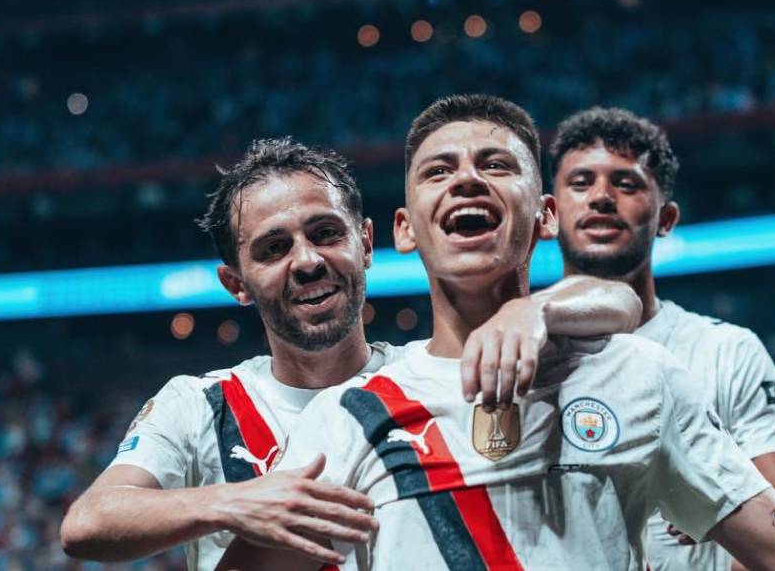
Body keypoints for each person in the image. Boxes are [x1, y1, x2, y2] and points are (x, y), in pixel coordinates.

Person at [217, 94, 775, 570]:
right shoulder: (349, 417)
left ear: (547, 215)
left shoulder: (640, 374)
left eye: (496, 164)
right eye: (438, 171)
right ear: (405, 229)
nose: (466, 179)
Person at [59, 138, 644, 570]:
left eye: (326, 233)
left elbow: (619, 301)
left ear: (365, 243)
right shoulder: (199, 405)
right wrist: (234, 502)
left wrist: (534, 309)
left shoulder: (428, 377)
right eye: (273, 248)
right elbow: (89, 522)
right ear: (236, 284)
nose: (307, 261)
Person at [548, 106, 775, 571]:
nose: (601, 197)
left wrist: (728, 516)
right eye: (581, 183)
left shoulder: (726, 351)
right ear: (549, 213)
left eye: (626, 184)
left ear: (666, 218)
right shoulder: (513, 351)